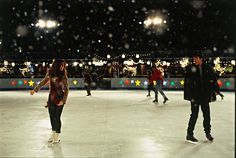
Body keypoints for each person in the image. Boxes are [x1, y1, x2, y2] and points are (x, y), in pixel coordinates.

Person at [30, 59, 69, 143]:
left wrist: (63, 100)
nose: (63, 67)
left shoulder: (63, 74)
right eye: (61, 65)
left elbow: (66, 88)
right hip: (51, 97)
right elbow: (44, 81)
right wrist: (35, 90)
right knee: (52, 116)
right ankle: (53, 133)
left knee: (57, 117)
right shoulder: (50, 73)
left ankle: (57, 135)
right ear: (56, 65)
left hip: (60, 97)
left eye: (63, 65)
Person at [184, 53, 217, 143]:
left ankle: (208, 133)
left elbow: (213, 79)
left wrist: (213, 91)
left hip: (204, 96)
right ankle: (189, 134)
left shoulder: (208, 68)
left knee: (207, 115)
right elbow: (187, 82)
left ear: (201, 59)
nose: (195, 60)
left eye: (196, 58)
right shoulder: (191, 69)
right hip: (195, 96)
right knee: (194, 115)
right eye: (194, 58)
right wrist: (190, 95)